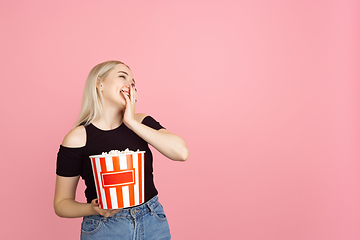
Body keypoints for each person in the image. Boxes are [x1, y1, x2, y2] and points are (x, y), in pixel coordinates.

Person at [54, 60, 189, 240]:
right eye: (122, 76)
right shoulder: (78, 138)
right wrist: (93, 208)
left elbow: (181, 153)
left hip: (152, 220)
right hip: (104, 227)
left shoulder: (141, 122)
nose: (130, 84)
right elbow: (62, 204)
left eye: (133, 82)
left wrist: (131, 122)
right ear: (99, 83)